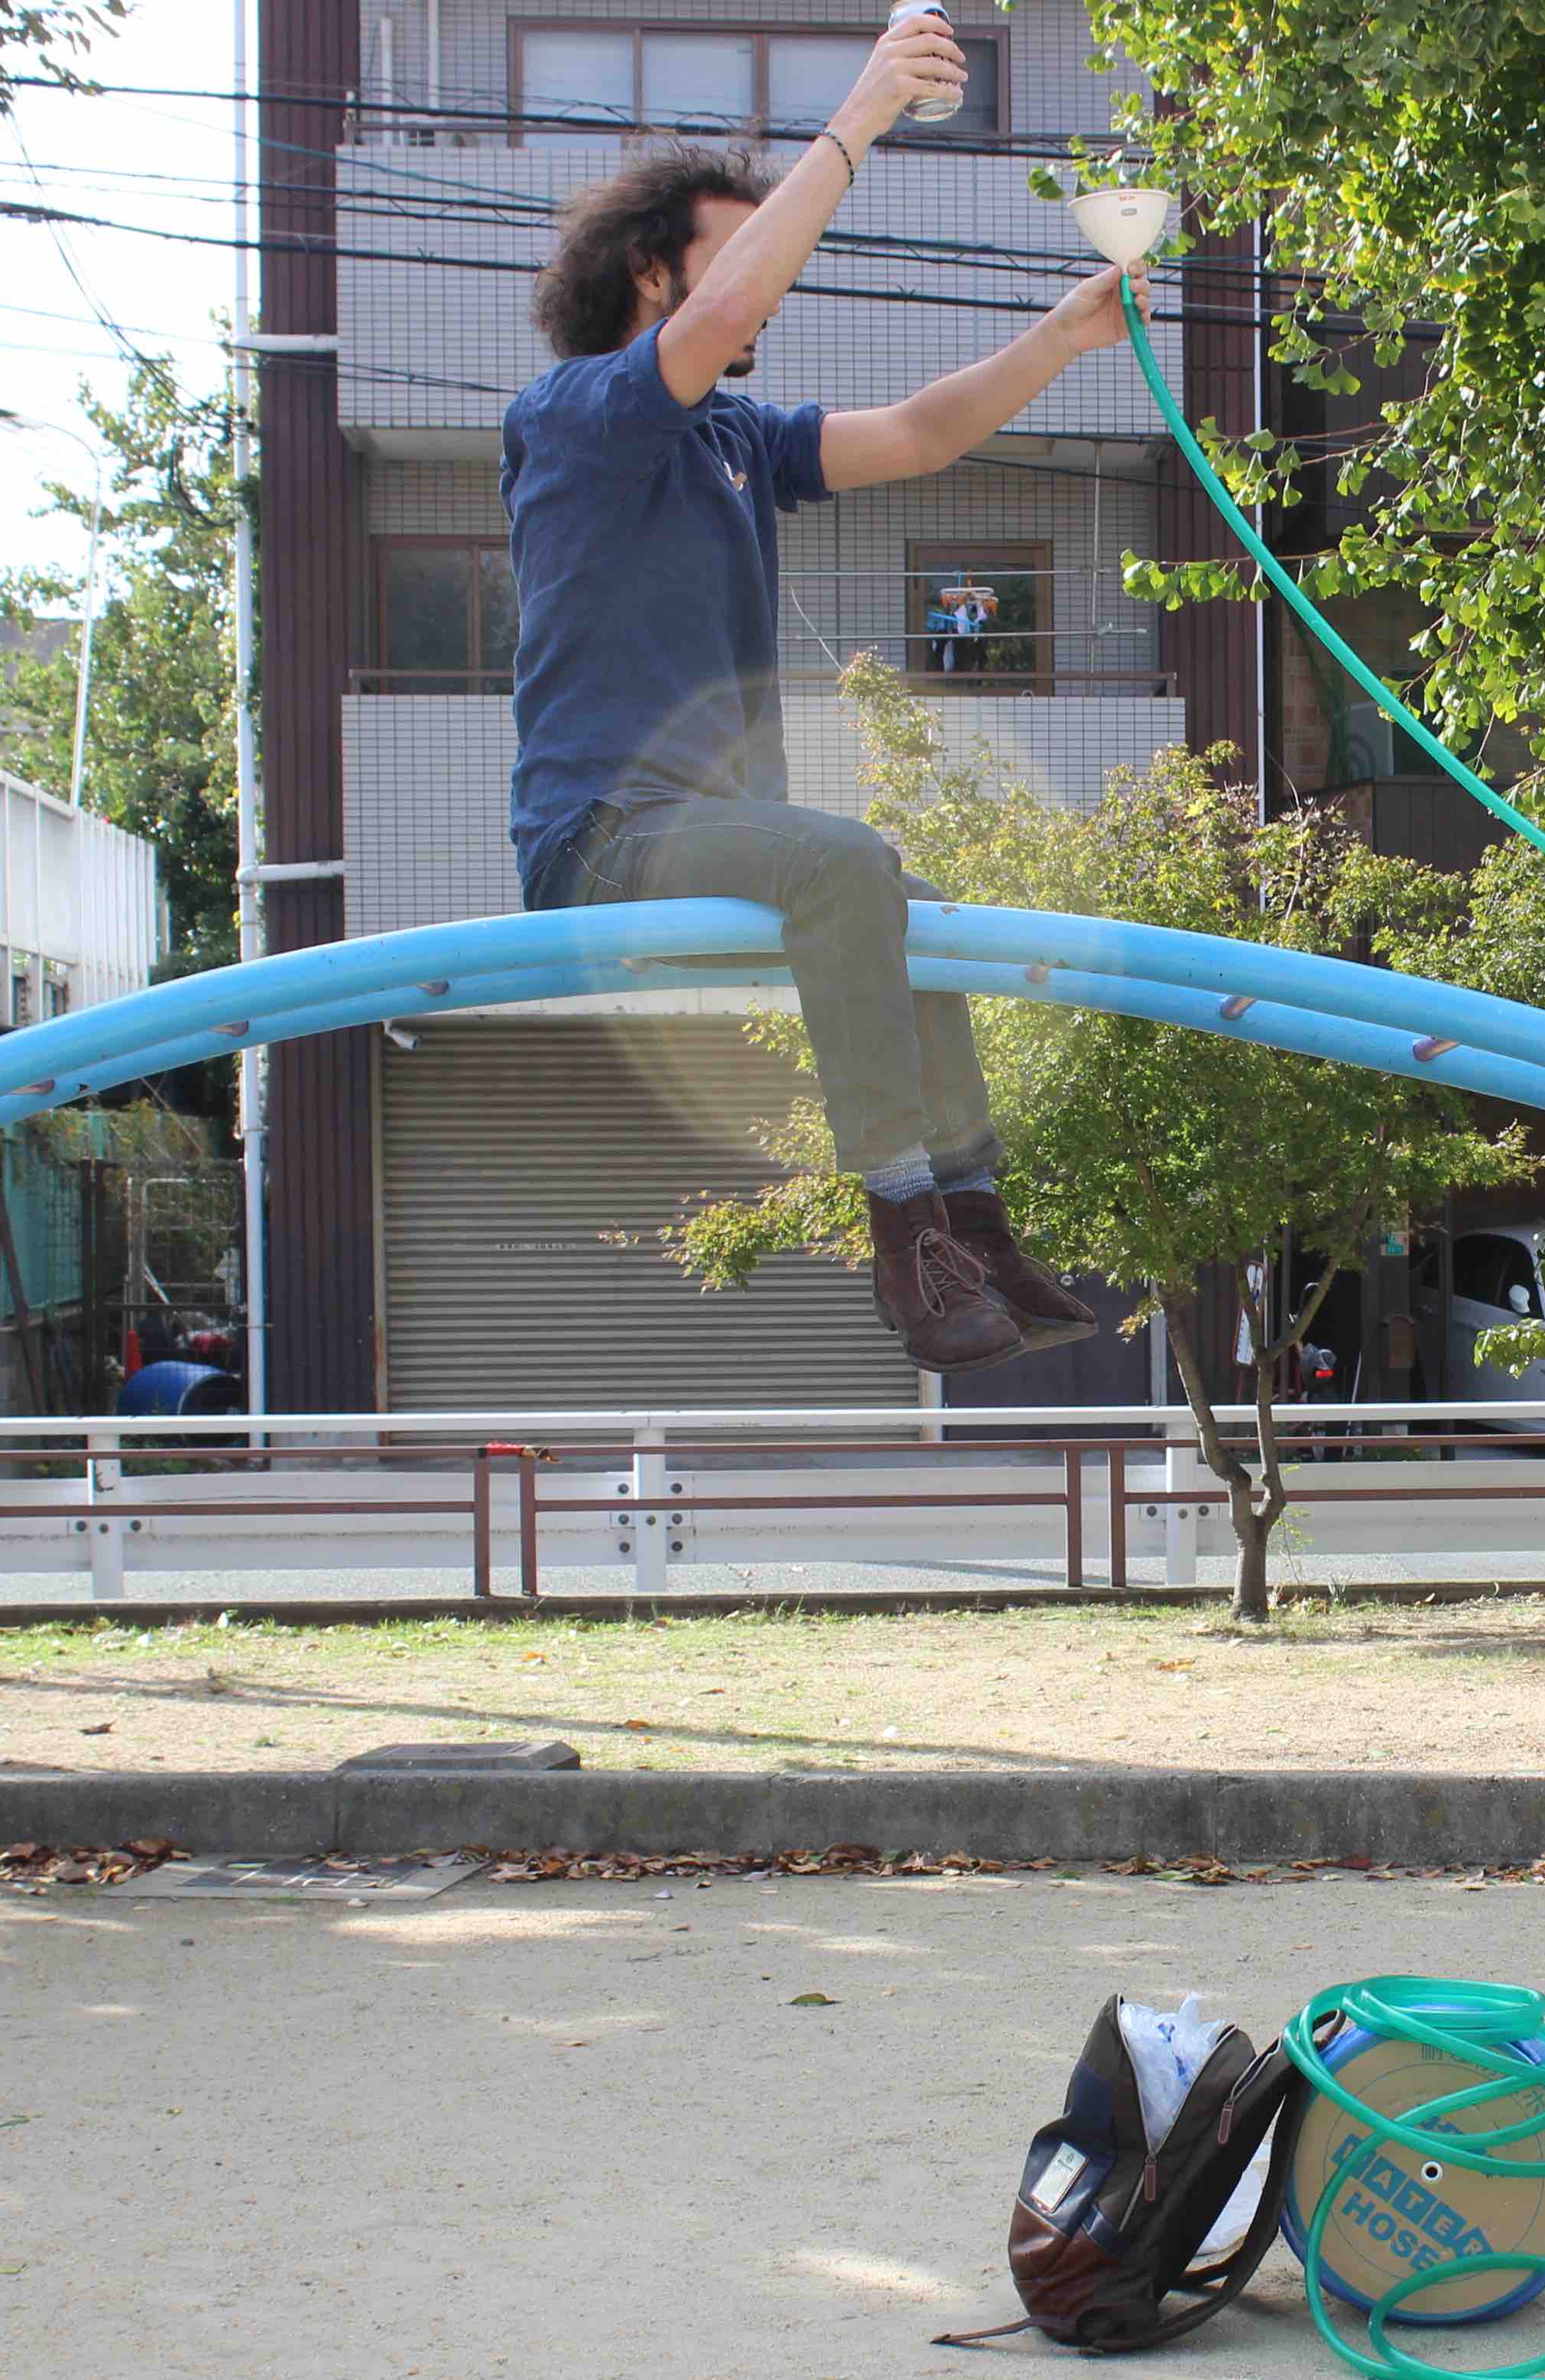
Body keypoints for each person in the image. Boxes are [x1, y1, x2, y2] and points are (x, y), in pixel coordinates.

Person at [501, 13, 1135, 1374]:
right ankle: (905, 1237)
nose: (764, 291)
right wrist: (860, 114)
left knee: (904, 904)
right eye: (733, 254)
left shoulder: (736, 437)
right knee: (852, 866)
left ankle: (973, 1201)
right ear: (648, 274)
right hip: (605, 839)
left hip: (715, 845)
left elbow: (917, 434)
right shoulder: (579, 414)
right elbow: (724, 315)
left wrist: (1063, 337)